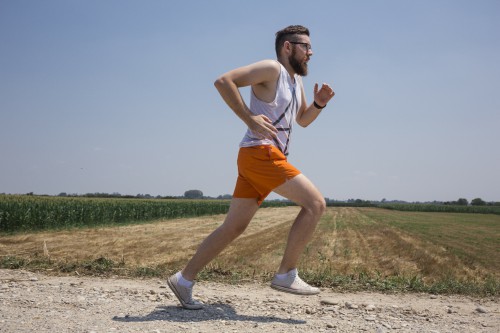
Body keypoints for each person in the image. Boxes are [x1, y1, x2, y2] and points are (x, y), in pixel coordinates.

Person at [167, 25, 335, 310]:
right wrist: (248, 118)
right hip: (261, 153)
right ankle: (286, 274)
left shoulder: (296, 82)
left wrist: (318, 104)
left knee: (233, 227)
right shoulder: (272, 69)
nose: (311, 52)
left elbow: (303, 120)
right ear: (287, 47)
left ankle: (183, 280)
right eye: (305, 46)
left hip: (256, 157)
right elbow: (224, 81)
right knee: (316, 204)